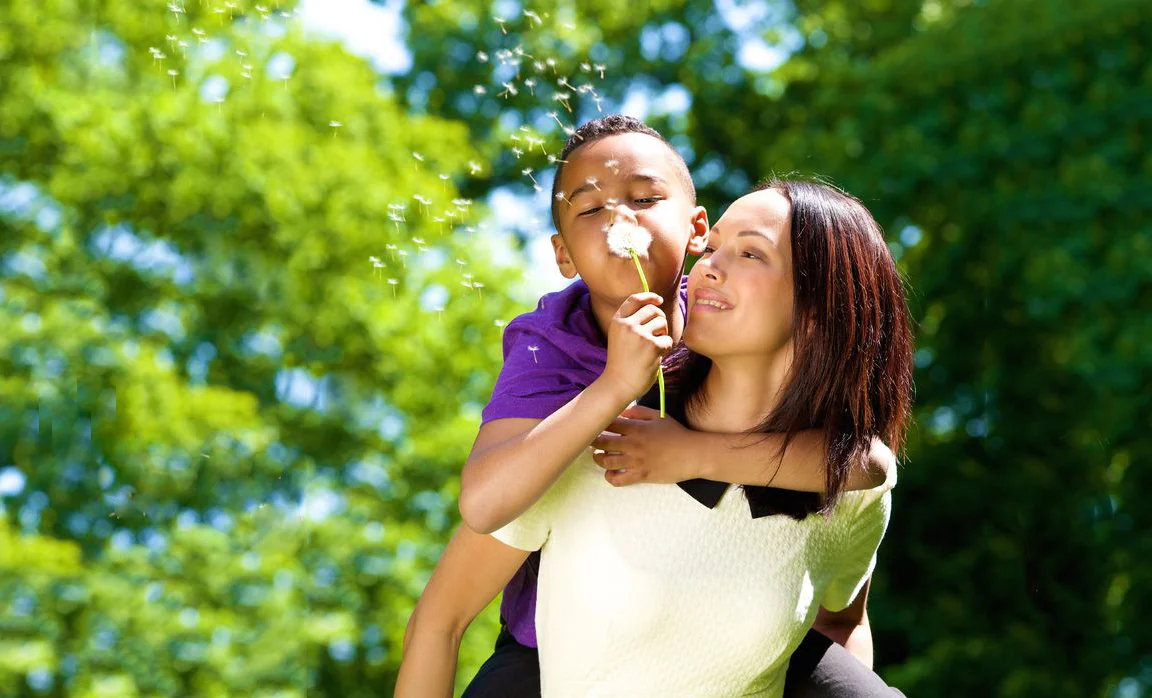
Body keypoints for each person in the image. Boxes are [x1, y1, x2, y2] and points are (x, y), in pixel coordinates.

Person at [396, 176, 914, 696]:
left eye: (750, 254)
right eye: (711, 248)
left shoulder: (848, 489)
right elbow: (439, 620)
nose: (706, 267)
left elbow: (842, 621)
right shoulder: (599, 441)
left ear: (822, 309)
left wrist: (696, 455)